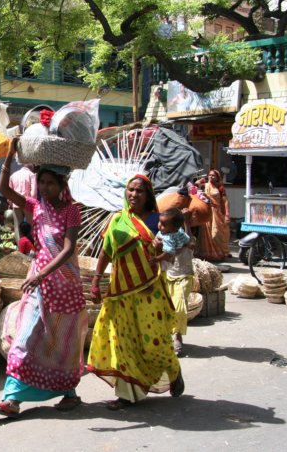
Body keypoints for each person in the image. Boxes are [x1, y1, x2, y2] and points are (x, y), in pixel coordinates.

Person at [0, 141, 87, 417]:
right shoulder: (35, 206)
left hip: (64, 283)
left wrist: (42, 273)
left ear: (62, 184)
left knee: (60, 340)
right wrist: (9, 154)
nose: (44, 188)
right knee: (26, 336)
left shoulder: (71, 211)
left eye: (50, 183)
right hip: (39, 284)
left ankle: (68, 392)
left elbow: (67, 250)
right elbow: (4, 189)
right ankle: (12, 398)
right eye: (41, 182)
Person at [87, 175, 184, 410]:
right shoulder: (117, 220)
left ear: (148, 195)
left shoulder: (157, 220)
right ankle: (128, 394)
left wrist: (160, 252)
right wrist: (96, 279)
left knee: (153, 342)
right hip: (120, 291)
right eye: (130, 189)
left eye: (139, 191)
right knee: (123, 342)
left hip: (149, 290)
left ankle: (173, 369)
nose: (134, 194)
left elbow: (174, 250)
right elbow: (106, 252)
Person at [152, 208, 195, 355]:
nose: (160, 226)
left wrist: (187, 224)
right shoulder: (162, 234)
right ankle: (168, 336)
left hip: (184, 275)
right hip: (167, 274)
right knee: (166, 308)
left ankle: (177, 336)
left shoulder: (182, 234)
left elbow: (190, 243)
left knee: (179, 306)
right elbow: (159, 250)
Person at [196, 169, 230, 261]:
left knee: (217, 233)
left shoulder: (220, 187)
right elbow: (194, 188)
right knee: (207, 233)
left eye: (213, 176)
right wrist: (198, 181)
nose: (210, 177)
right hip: (207, 211)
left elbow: (225, 201)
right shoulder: (205, 185)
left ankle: (220, 252)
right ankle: (210, 254)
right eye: (209, 175)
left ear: (217, 178)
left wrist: (227, 214)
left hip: (217, 212)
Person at [9, 164, 37, 241]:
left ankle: (20, 247)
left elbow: (9, 192)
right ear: (32, 167)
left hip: (16, 203)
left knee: (18, 227)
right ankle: (31, 246)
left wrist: (10, 203)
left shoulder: (13, 175)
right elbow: (33, 192)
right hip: (28, 203)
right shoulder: (31, 175)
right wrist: (33, 204)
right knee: (30, 226)